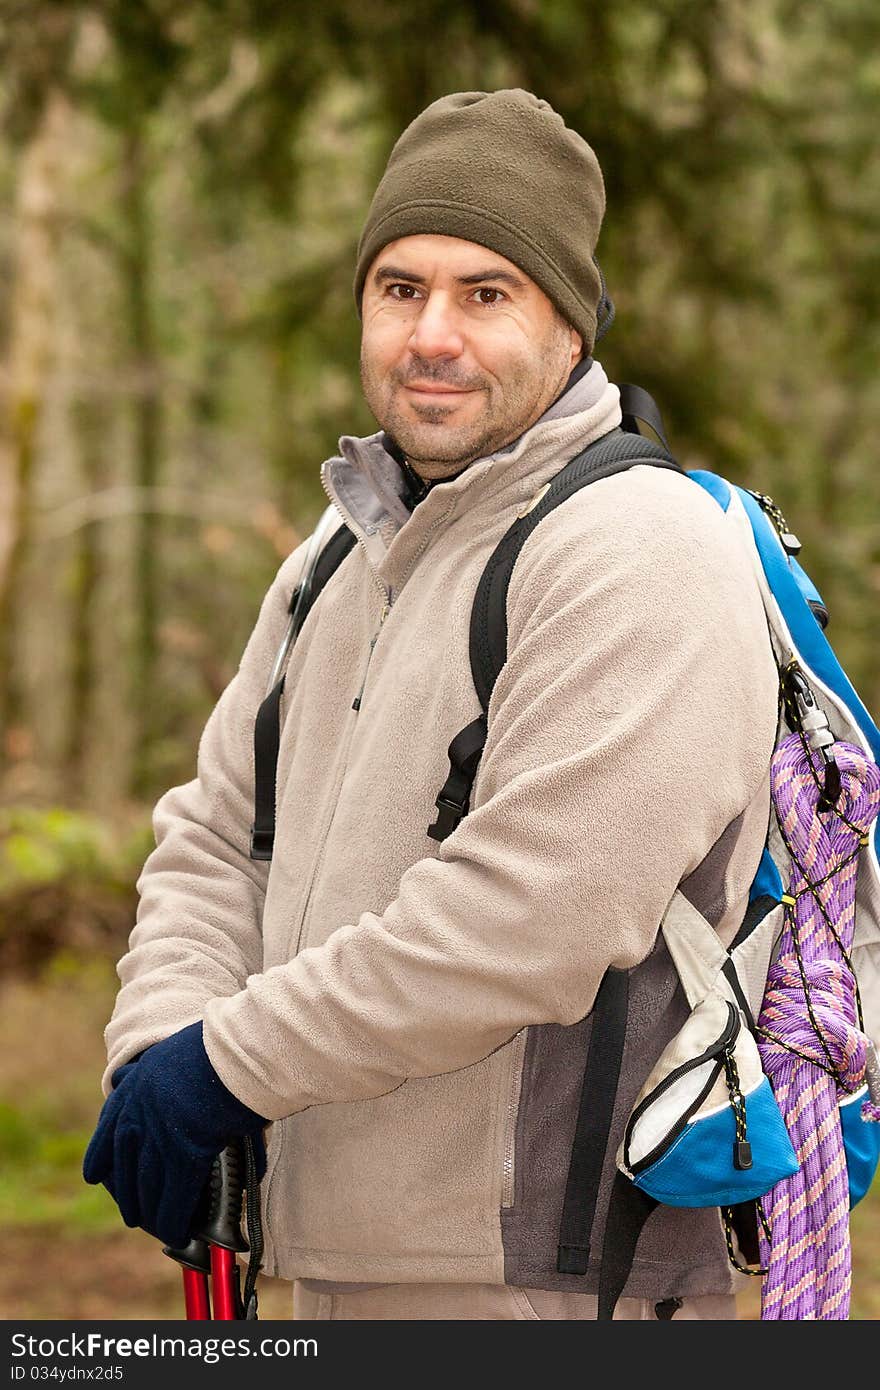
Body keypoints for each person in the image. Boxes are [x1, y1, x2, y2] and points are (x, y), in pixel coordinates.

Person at [84, 89, 779, 1321]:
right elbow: (212, 840)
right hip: (336, 1251)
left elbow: (535, 910)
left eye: (486, 292)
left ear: (571, 325)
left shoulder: (638, 546)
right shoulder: (338, 556)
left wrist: (225, 1067)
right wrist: (158, 1049)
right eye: (400, 288)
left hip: (549, 1277)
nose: (432, 334)